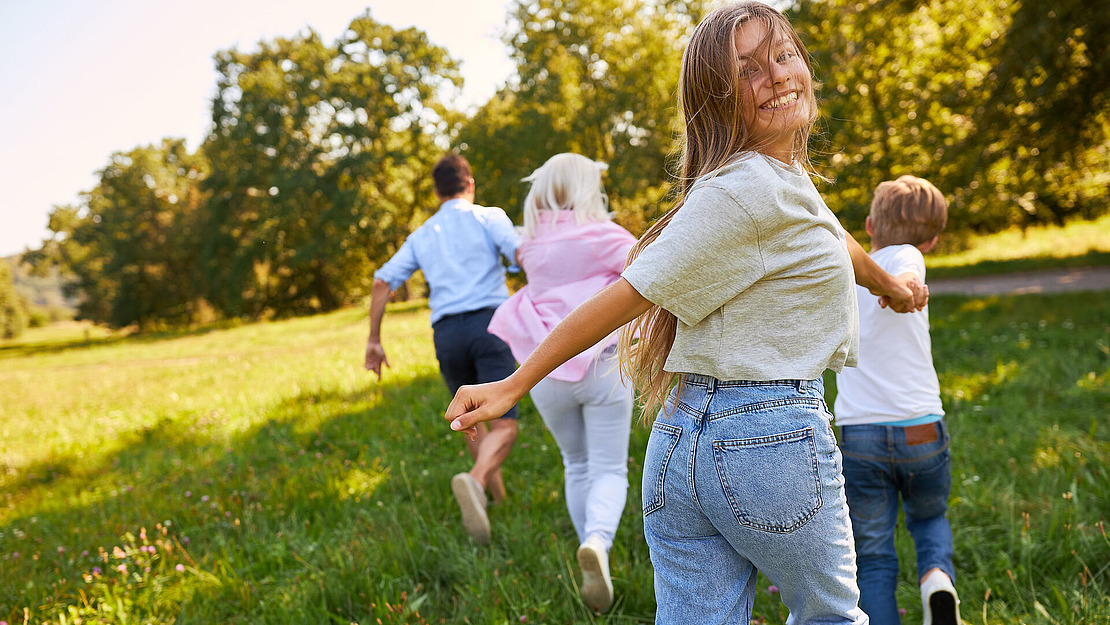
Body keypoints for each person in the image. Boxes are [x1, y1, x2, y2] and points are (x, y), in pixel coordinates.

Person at [444, 3, 928, 622]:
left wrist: (892, 286)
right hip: (767, 437)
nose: (778, 76)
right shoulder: (746, 191)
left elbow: (835, 237)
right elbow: (629, 294)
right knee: (831, 617)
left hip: (683, 446)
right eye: (748, 70)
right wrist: (515, 383)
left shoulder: (780, 180)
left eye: (783, 56)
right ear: (717, 100)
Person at [487, 153, 638, 612]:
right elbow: (651, 274)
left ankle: (588, 552)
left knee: (576, 463)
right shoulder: (604, 235)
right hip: (602, 366)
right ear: (587, 188)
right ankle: (598, 542)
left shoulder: (530, 244)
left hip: (544, 370)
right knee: (609, 468)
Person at [366, 153, 520, 546]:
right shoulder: (489, 217)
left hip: (447, 334)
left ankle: (496, 500)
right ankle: (476, 481)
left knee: (470, 420)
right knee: (504, 423)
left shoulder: (423, 234)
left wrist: (374, 340)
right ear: (470, 185)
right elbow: (521, 253)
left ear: (437, 193)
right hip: (491, 325)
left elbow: (382, 282)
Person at [834, 176, 960, 625]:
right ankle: (937, 581)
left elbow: (907, 276)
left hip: (861, 436)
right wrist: (909, 285)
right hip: (921, 428)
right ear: (932, 241)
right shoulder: (909, 255)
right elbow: (909, 271)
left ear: (870, 226)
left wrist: (906, 285)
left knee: (872, 555)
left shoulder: (850, 273)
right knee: (929, 519)